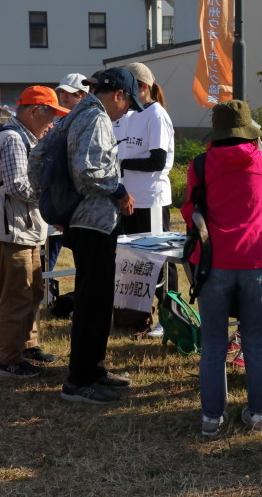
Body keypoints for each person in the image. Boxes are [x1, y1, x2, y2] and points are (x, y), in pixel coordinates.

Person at [181, 100, 262, 436]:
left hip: (213, 261)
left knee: (214, 344)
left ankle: (211, 419)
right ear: (248, 131)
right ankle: (258, 415)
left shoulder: (200, 164)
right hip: (256, 261)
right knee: (255, 341)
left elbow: (190, 213)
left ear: (216, 133)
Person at [40, 67, 142, 404]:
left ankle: (94, 369)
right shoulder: (96, 119)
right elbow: (89, 170)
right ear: (118, 95)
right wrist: (120, 191)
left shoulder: (75, 116)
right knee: (92, 302)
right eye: (128, 103)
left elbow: (43, 158)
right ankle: (80, 379)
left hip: (82, 219)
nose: (126, 111)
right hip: (93, 221)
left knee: (95, 301)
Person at [0, 86, 68, 378]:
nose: (53, 124)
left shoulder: (25, 137)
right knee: (17, 296)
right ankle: (7, 359)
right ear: (35, 111)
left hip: (25, 229)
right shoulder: (11, 139)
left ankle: (27, 346)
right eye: (51, 116)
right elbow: (17, 186)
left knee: (32, 291)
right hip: (12, 232)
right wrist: (53, 200)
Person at [114, 62, 178, 338]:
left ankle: (170, 316)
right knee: (133, 260)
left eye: (129, 88)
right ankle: (136, 314)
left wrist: (122, 163)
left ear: (143, 87)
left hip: (151, 199)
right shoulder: (128, 116)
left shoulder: (156, 115)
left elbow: (158, 160)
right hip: (128, 198)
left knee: (160, 260)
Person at [44, 73, 90, 298]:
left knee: (84, 254)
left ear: (82, 95)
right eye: (61, 91)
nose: (63, 96)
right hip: (61, 194)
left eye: (69, 93)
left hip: (83, 198)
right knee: (54, 245)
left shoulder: (92, 121)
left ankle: (81, 296)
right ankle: (47, 292)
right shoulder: (60, 121)